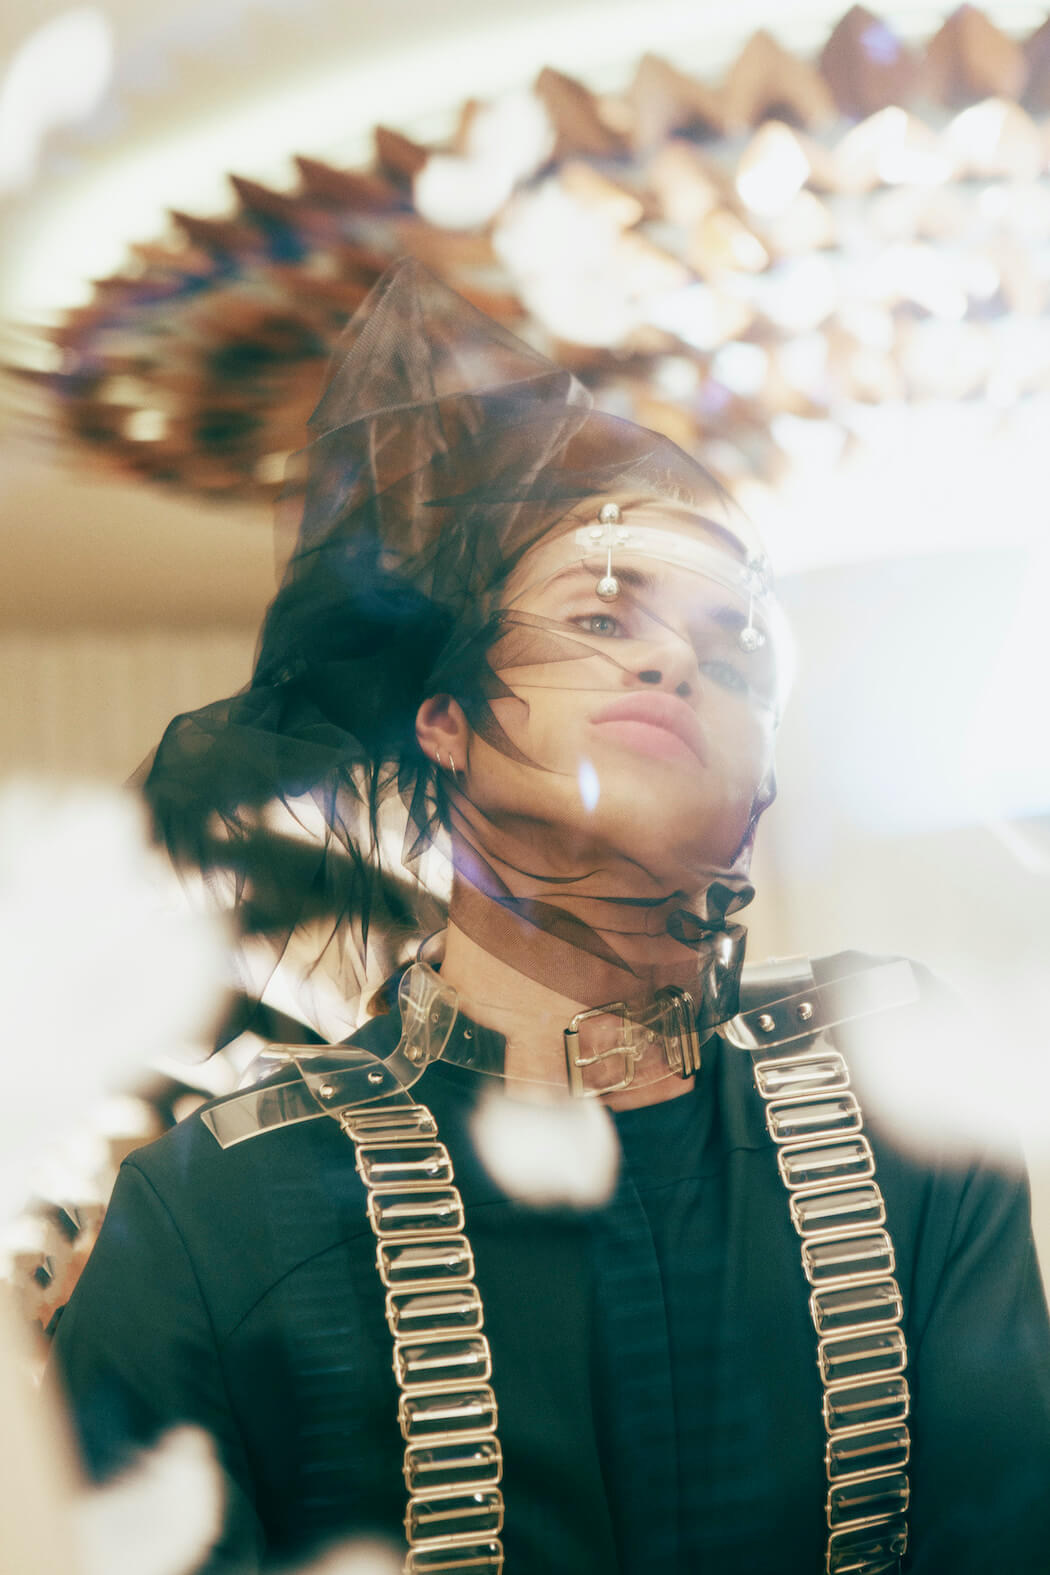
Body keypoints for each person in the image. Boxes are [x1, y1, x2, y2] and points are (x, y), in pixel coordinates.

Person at [50, 261, 1050, 1575]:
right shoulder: (218, 1206)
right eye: (601, 614)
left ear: (758, 781)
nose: (672, 658)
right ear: (444, 721)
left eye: (730, 652)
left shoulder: (901, 1104)